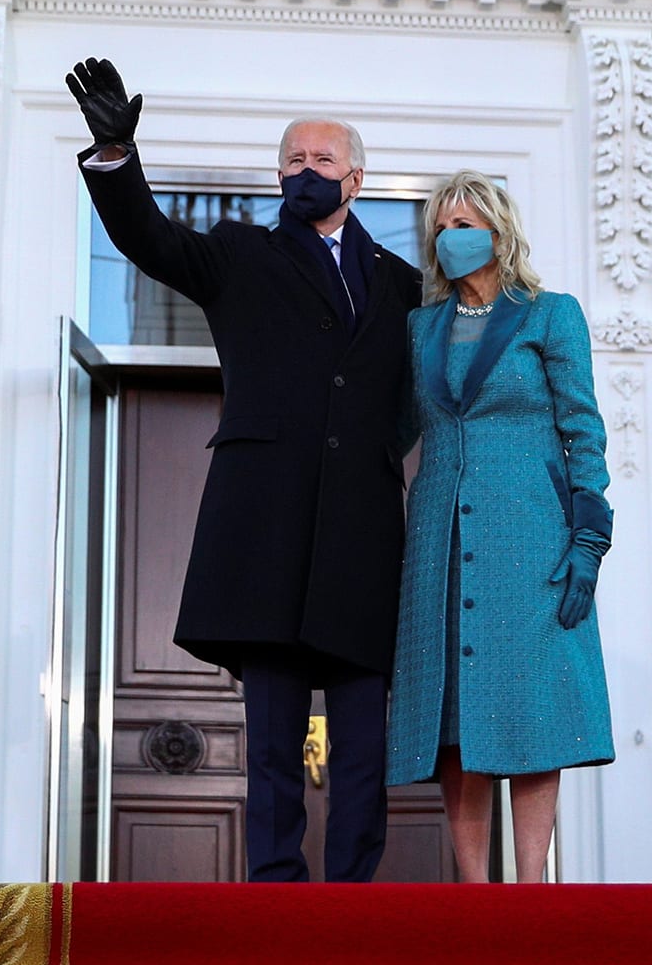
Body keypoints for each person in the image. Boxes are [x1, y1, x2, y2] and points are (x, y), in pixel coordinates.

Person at [68, 57, 419, 883]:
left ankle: (353, 899)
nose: (305, 172)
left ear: (356, 178)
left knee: (365, 749)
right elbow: (147, 238)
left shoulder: (408, 285)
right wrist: (119, 155)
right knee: (270, 743)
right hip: (266, 536)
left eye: (322, 161)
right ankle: (273, 892)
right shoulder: (239, 256)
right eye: (293, 161)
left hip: (365, 540)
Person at [386, 171, 613, 882]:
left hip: (530, 536)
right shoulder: (421, 327)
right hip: (440, 540)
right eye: (442, 228)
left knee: (530, 710)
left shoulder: (550, 314)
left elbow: (583, 429)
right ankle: (475, 891)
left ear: (498, 228)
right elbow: (396, 428)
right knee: (457, 718)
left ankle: (530, 886)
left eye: (466, 223)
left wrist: (588, 539)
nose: (453, 237)